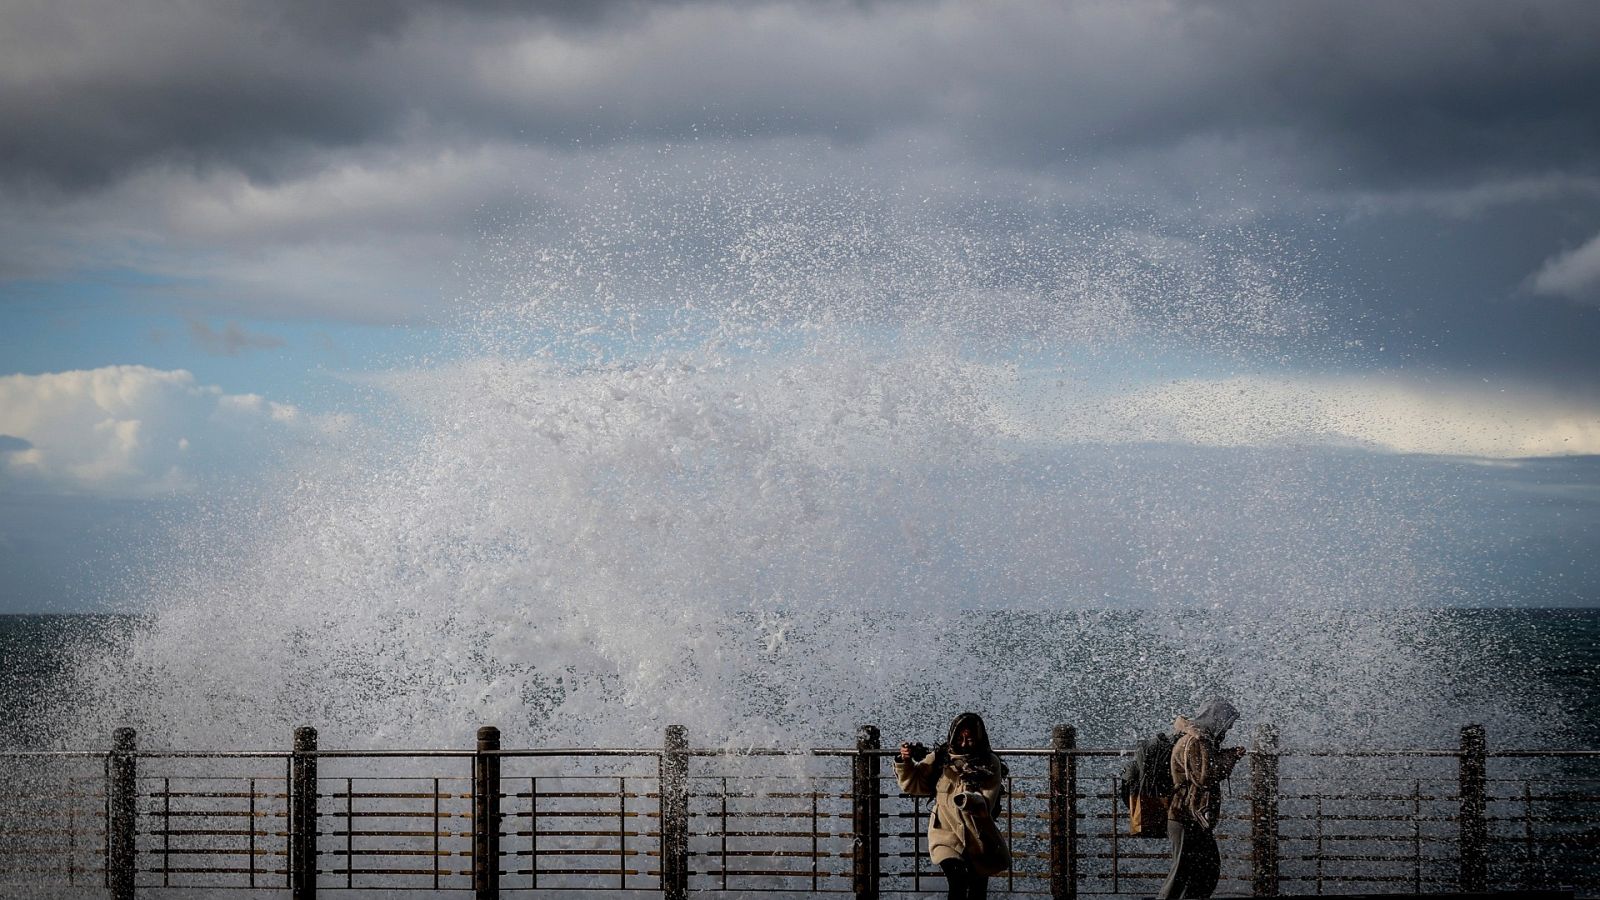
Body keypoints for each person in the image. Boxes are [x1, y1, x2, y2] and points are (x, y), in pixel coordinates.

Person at [894, 712, 1010, 900]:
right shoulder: (941, 757)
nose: (964, 744)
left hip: (977, 836)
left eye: (970, 739)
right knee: (957, 880)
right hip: (945, 834)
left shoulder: (989, 763)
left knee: (977, 889)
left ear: (979, 738)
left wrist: (967, 796)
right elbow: (913, 784)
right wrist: (905, 761)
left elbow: (987, 801)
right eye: (960, 738)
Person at [1157, 697, 1248, 899]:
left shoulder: (1201, 739)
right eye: (1227, 722)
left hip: (1193, 816)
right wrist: (1231, 758)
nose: (1229, 728)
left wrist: (1226, 754)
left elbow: (1204, 766)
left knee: (1206, 868)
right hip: (1184, 815)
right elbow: (1205, 777)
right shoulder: (1198, 740)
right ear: (1216, 719)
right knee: (1181, 873)